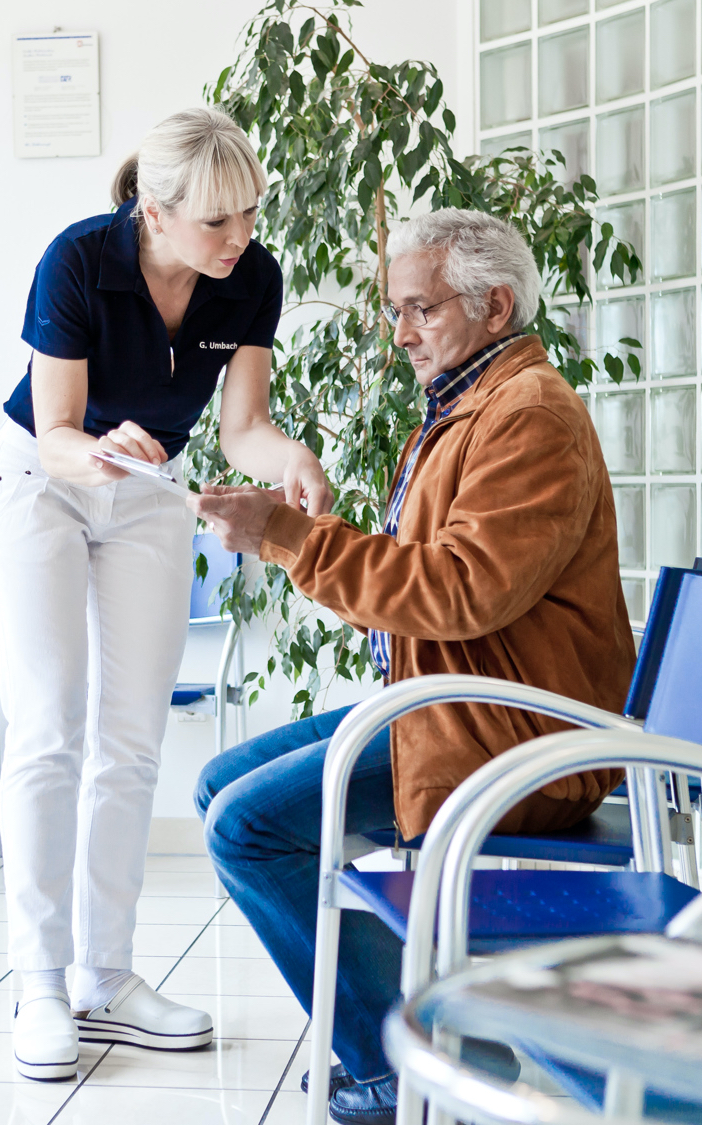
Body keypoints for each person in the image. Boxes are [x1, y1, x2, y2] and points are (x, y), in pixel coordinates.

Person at [189, 209, 636, 1124]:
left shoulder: (531, 418)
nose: (399, 334)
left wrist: (285, 535)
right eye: (395, 311)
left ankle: (396, 1065)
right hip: (454, 708)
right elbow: (431, 573)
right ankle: (423, 1031)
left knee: (247, 829)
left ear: (496, 305)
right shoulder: (471, 404)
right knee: (219, 785)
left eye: (419, 310)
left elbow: (459, 590)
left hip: (515, 735)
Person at [0, 107, 333, 1082]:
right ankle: (41, 980)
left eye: (251, 216)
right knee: (50, 726)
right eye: (219, 223)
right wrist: (93, 452)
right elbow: (53, 430)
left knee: (132, 740)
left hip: (148, 491)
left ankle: (106, 976)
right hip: (43, 481)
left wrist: (287, 454)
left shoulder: (248, 279)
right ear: (155, 212)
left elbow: (244, 426)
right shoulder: (80, 261)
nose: (242, 240)